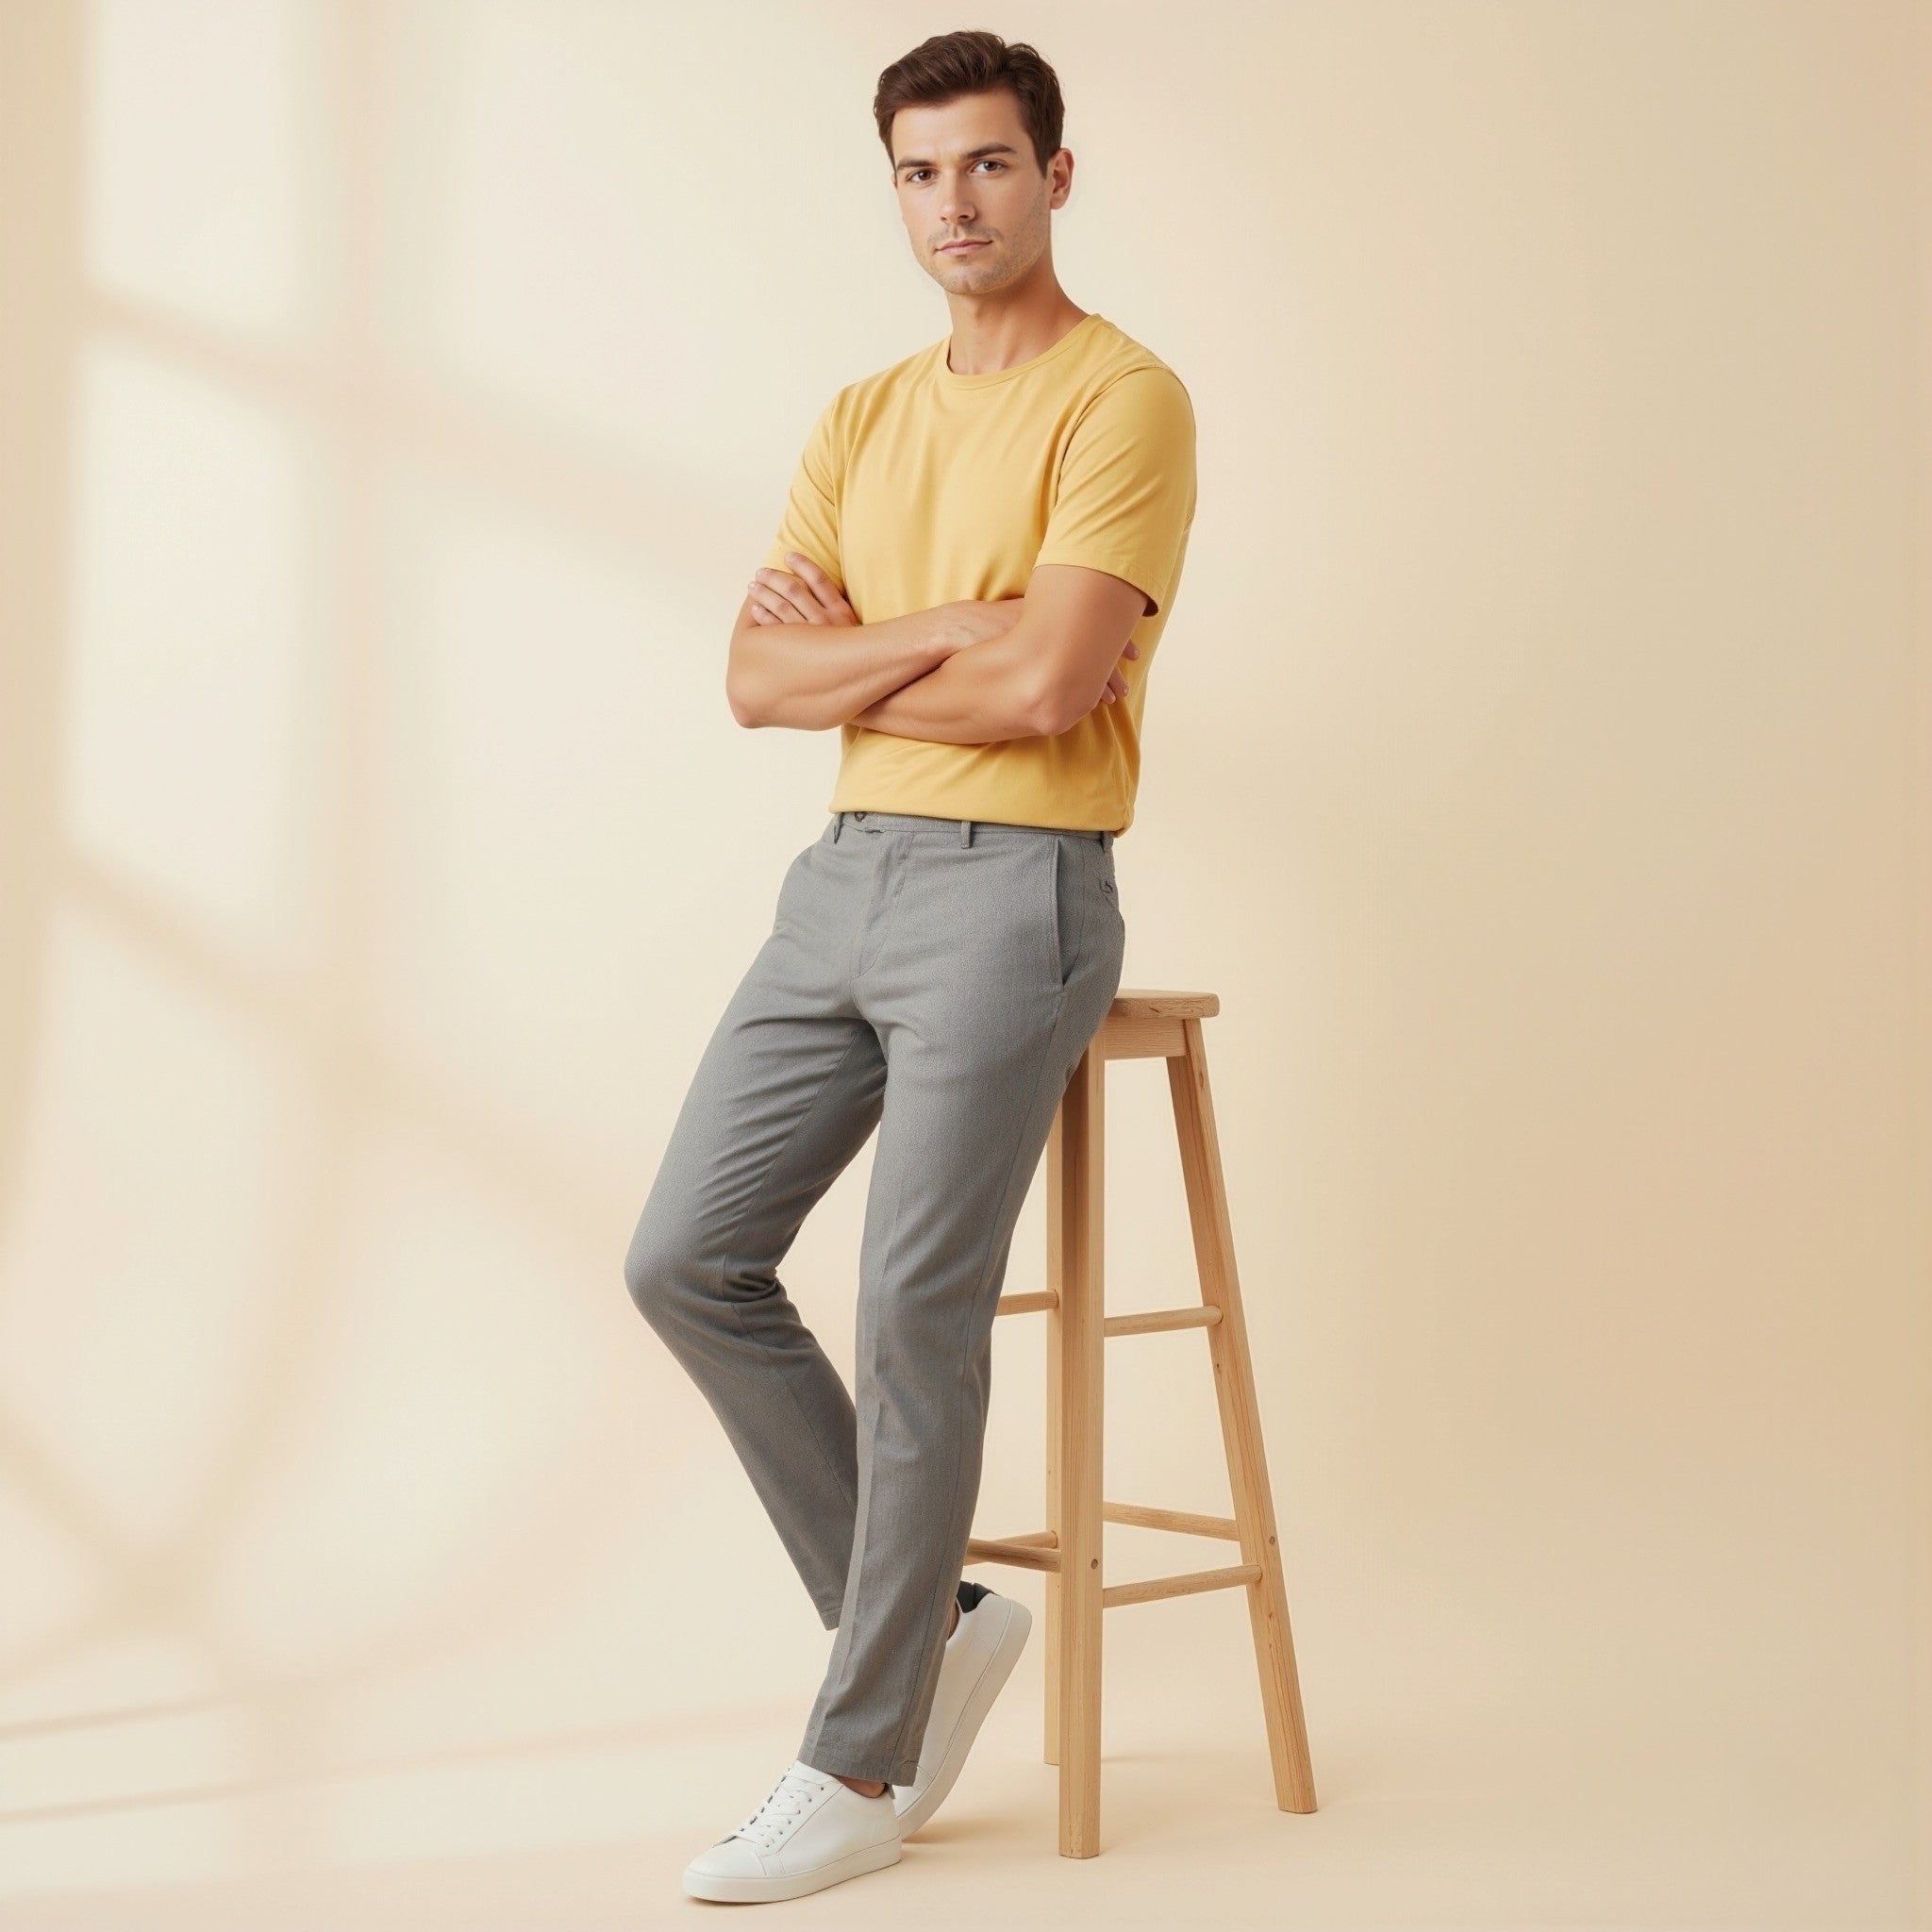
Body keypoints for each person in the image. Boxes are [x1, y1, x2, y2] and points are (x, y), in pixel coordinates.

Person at [623, 26, 1196, 1905]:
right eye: (919, 174)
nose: (954, 205)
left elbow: (1051, 693)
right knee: (687, 1254)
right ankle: (936, 1623)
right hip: (843, 878)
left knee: (911, 1307)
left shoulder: (1124, 401)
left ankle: (857, 1765)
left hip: (1019, 888)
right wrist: (954, 616)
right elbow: (748, 681)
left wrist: (875, 647)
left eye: (987, 166)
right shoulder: (862, 416)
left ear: (1053, 174)